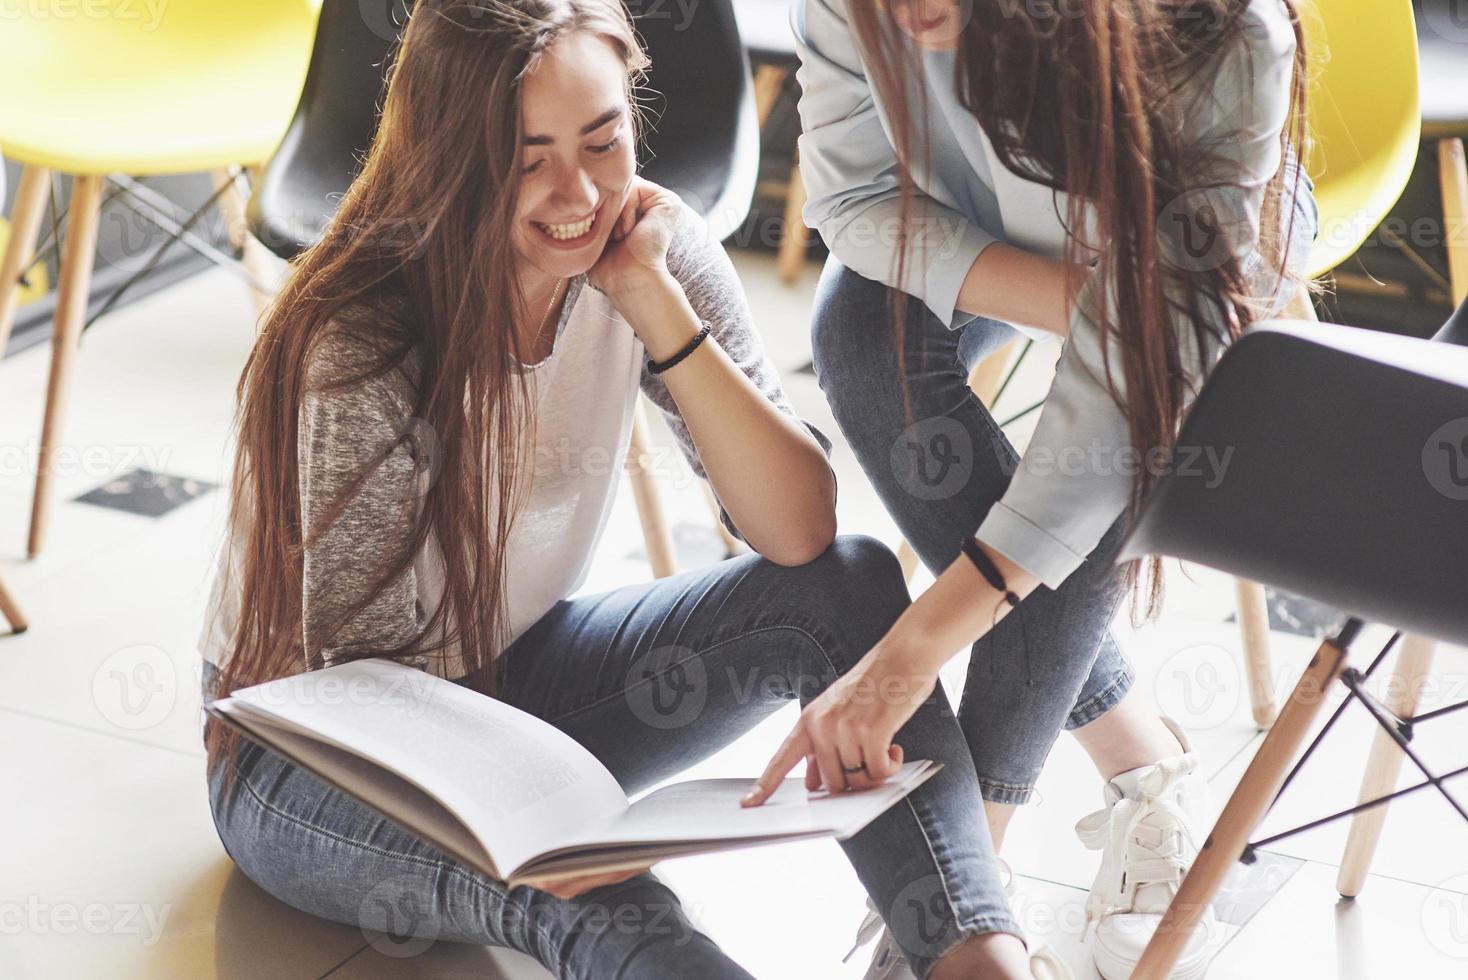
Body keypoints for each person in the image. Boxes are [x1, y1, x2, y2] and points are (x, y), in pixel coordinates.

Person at [196, 1, 1067, 976]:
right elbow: (368, 692)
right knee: (602, 890)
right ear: (450, 153)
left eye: (602, 141)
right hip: (321, 756)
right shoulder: (363, 332)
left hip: (515, 672)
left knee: (848, 582)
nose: (578, 192)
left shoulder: (650, 240)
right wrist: (548, 821)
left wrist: (655, 305)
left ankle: (974, 955)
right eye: (526, 159)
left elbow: (797, 532)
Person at [746, 0, 1318, 977]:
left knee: (1107, 456)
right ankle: (1138, 765)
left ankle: (969, 880)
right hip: (998, 238)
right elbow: (852, 205)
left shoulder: (1220, 34)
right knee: (855, 335)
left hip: (1190, 245)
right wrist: (1096, 309)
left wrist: (905, 656)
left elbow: (1115, 416)